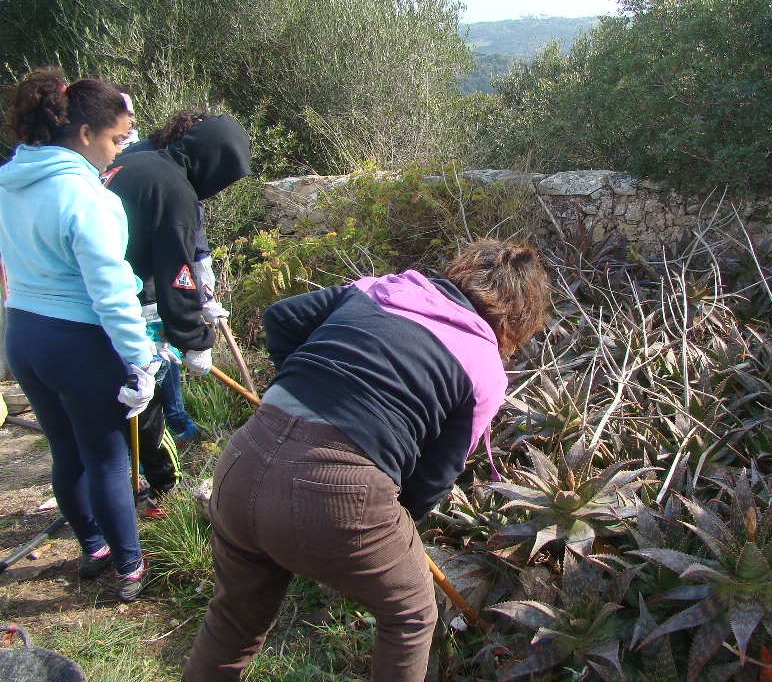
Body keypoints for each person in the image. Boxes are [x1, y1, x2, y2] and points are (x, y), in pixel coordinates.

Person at [182, 239, 551, 682]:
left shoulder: (383, 288)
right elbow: (432, 480)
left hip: (243, 459)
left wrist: (306, 390)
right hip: (341, 490)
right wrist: (370, 527)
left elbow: (280, 318)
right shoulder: (485, 368)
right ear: (521, 319)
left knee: (234, 621)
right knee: (411, 615)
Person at [0, 67, 161, 602]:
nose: (119, 151)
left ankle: (92, 547)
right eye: (116, 138)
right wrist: (142, 359)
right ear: (85, 133)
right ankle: (129, 566)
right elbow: (110, 290)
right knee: (108, 457)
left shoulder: (10, 182)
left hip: (23, 334)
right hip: (77, 342)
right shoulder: (85, 196)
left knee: (65, 451)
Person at [101, 113, 251, 516]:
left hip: (91, 303)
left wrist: (201, 298)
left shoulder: (134, 161)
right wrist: (194, 340)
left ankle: (126, 484)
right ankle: (167, 490)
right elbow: (174, 273)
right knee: (145, 410)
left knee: (114, 406)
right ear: (214, 161)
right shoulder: (174, 189)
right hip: (125, 307)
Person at [119, 108, 216, 450]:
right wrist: (192, 337)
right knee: (153, 363)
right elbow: (173, 261)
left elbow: (193, 235)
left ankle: (174, 426)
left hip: (127, 289)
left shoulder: (167, 164)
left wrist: (206, 290)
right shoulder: (160, 173)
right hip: (133, 289)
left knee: (162, 356)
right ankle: (165, 443)